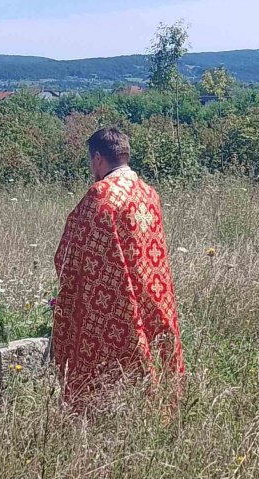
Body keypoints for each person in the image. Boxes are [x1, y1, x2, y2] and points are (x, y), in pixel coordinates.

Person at [52, 127, 184, 410]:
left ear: (98, 158)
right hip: (153, 298)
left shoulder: (101, 195)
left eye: (91, 161)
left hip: (113, 304)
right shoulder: (149, 193)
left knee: (105, 380)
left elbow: (68, 256)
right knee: (149, 373)